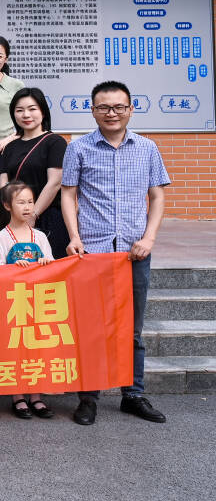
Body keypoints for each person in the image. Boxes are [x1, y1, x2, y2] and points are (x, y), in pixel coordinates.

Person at [61, 80, 169, 426]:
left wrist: (149, 238)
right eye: (104, 107)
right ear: (93, 111)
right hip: (92, 252)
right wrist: (74, 236)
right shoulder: (78, 148)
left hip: (135, 253)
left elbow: (157, 196)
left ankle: (133, 394)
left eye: (119, 107)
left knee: (132, 330)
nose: (112, 113)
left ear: (130, 109)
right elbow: (68, 194)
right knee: (91, 328)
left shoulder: (148, 148)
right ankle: (88, 398)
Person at [0, 87, 69, 258]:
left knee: (50, 267)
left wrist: (33, 214)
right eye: (19, 110)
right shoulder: (9, 147)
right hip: (16, 220)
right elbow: (3, 186)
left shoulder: (55, 142)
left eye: (32, 109)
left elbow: (54, 182)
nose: (26, 115)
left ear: (43, 112)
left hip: (48, 217)